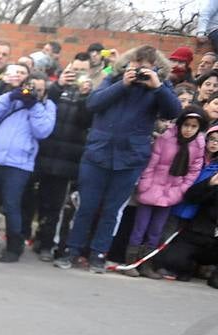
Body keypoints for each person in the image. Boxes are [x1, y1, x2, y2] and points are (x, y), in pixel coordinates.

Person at [56, 46, 182, 273]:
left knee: (111, 210)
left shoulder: (160, 87)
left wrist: (157, 87)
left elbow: (173, 112)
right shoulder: (114, 78)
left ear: (155, 68)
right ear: (128, 62)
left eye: (145, 65)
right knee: (86, 206)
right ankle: (72, 250)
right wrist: (122, 84)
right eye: (136, 63)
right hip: (98, 153)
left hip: (130, 158)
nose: (139, 69)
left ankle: (98, 254)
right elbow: (93, 103)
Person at [0, 67, 55, 262]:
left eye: (39, 89)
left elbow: (43, 131)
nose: (33, 92)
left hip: (19, 164)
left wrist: (34, 106)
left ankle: (14, 246)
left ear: (45, 91)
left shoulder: (47, 106)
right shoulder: (11, 100)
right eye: (30, 88)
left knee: (12, 205)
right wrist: (10, 97)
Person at [123, 107, 204, 275]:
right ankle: (131, 262)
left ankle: (147, 263)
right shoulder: (166, 138)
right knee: (140, 227)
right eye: (186, 125)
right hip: (151, 189)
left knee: (156, 231)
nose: (189, 129)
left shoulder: (198, 145)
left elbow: (194, 171)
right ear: (180, 124)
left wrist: (181, 190)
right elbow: (151, 164)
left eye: (194, 126)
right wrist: (145, 185)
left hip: (171, 194)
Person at [28, 54, 93, 260]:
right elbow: (42, 104)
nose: (78, 73)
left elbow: (87, 121)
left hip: (67, 158)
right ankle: (27, 236)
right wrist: (58, 86)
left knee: (55, 206)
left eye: (83, 69)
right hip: (43, 152)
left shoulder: (92, 93)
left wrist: (85, 97)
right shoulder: (56, 87)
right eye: (76, 69)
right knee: (32, 199)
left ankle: (47, 244)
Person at [150, 147, 218, 285]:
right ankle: (190, 268)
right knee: (171, 260)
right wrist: (209, 184)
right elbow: (191, 197)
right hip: (200, 233)